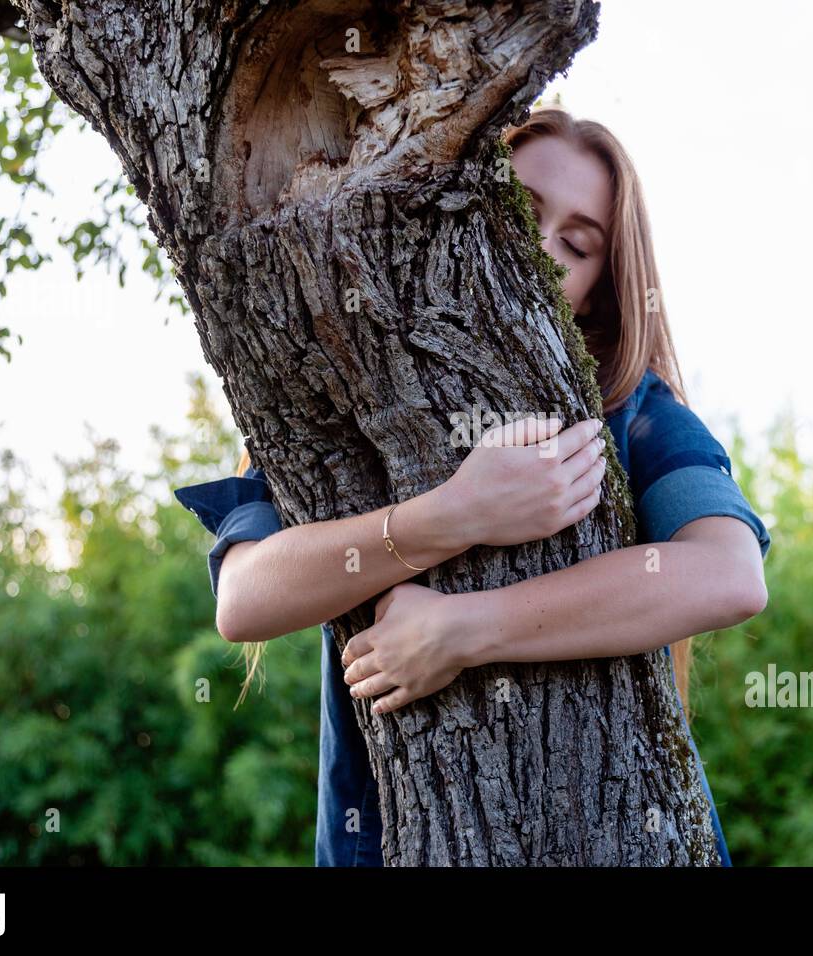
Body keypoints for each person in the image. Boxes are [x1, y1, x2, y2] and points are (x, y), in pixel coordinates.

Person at [174, 107, 772, 867]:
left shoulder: (632, 409)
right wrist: (451, 516)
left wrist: (465, 629)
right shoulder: (344, 390)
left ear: (598, 286)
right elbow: (246, 598)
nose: (543, 253)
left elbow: (728, 575)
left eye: (577, 244)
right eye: (520, 214)